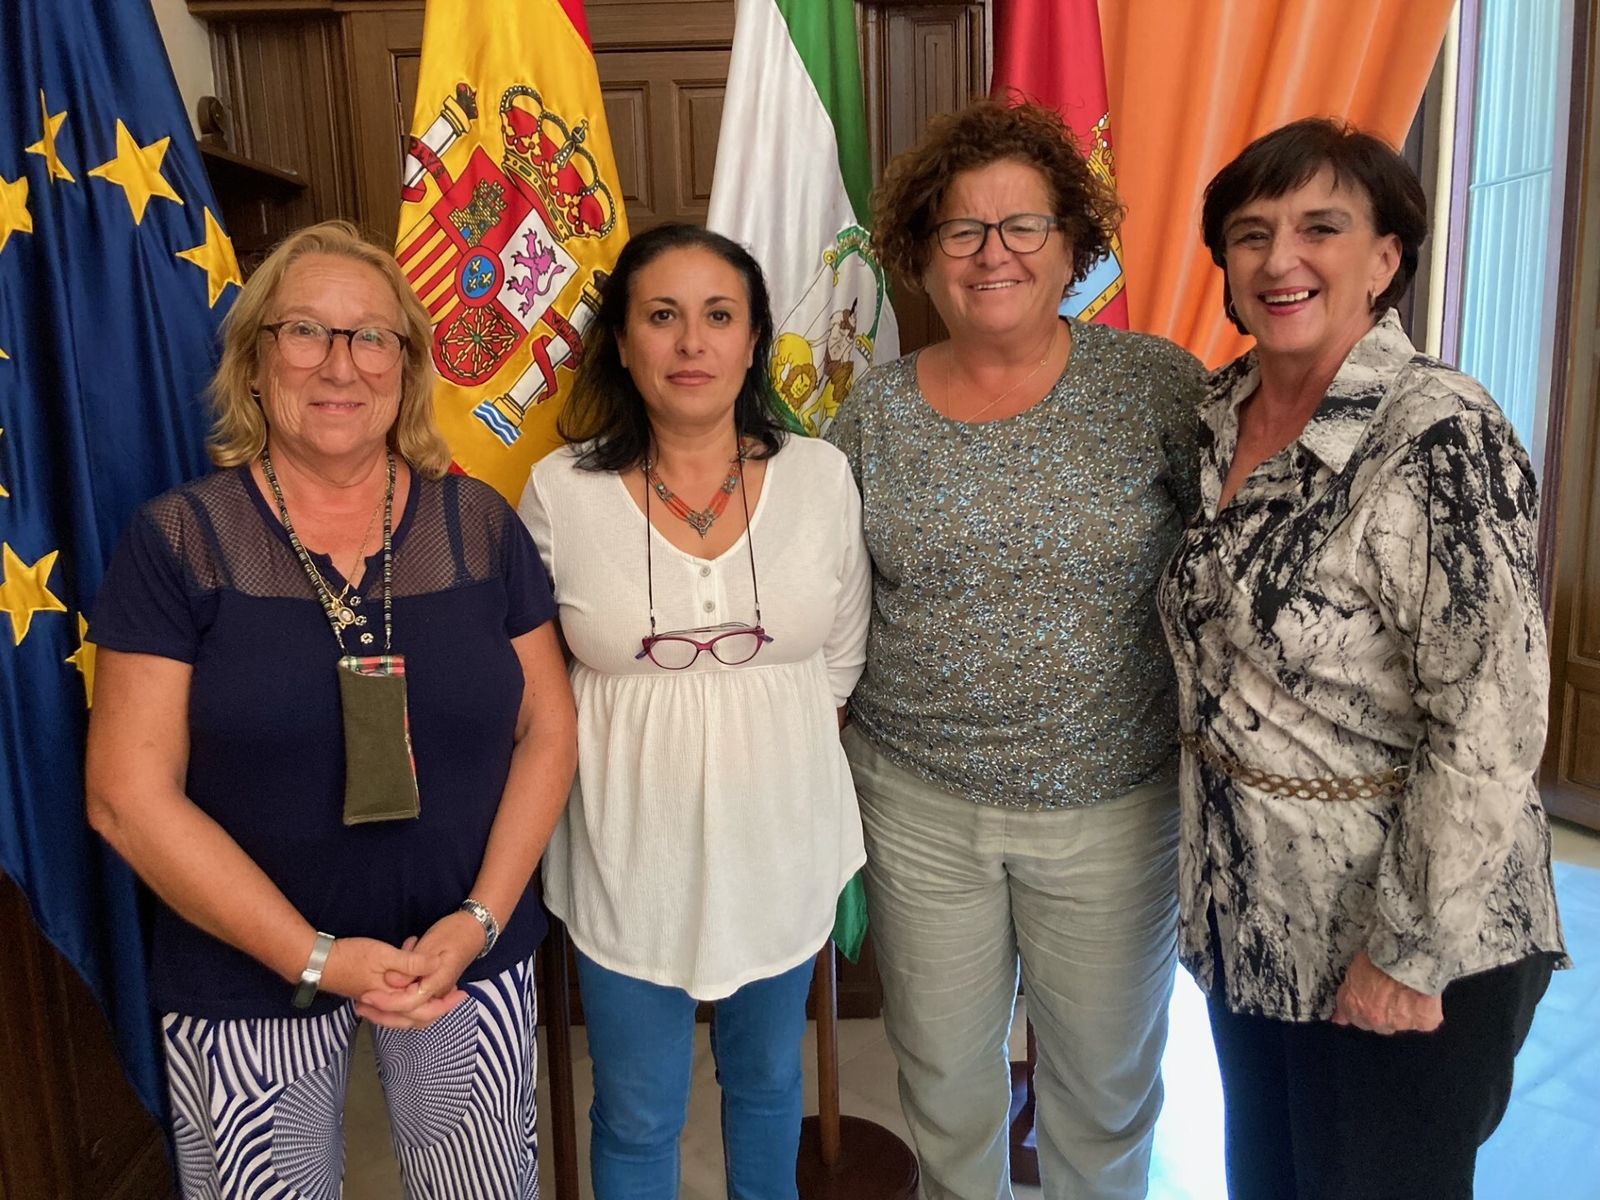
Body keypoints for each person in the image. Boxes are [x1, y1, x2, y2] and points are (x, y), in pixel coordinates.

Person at [86, 220, 577, 1199]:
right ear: (255, 360)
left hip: (458, 954)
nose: (339, 363)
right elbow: (126, 798)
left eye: (370, 337)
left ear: (408, 365)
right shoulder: (179, 541)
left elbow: (550, 730)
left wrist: (479, 923)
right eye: (305, 330)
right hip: (242, 963)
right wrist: (312, 957)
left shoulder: (479, 524)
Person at [1159, 117, 1569, 1200]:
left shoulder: (1436, 433)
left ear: (1384, 257)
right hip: (1250, 922)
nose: (1278, 258)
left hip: (1399, 936)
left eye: (1320, 227)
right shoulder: (1218, 414)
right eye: (1250, 234)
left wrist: (1408, 951)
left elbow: (1490, 721)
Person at [826, 99, 1206, 1200]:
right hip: (919, 808)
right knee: (946, 1089)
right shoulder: (875, 414)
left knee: (1101, 1092)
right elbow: (831, 600)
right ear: (923, 254)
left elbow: (1226, 576)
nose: (992, 254)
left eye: (1023, 226)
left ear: (1072, 244)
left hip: (1112, 809)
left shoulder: (1156, 388)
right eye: (962, 230)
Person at [517, 223, 869, 1200]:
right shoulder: (560, 491)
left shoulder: (820, 477)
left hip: (781, 849)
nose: (690, 343)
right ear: (622, 342)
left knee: (766, 1085)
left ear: (754, 339)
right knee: (635, 1110)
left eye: (718, 316)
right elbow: (532, 682)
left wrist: (755, 763)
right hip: (627, 853)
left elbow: (841, 658)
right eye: (661, 317)